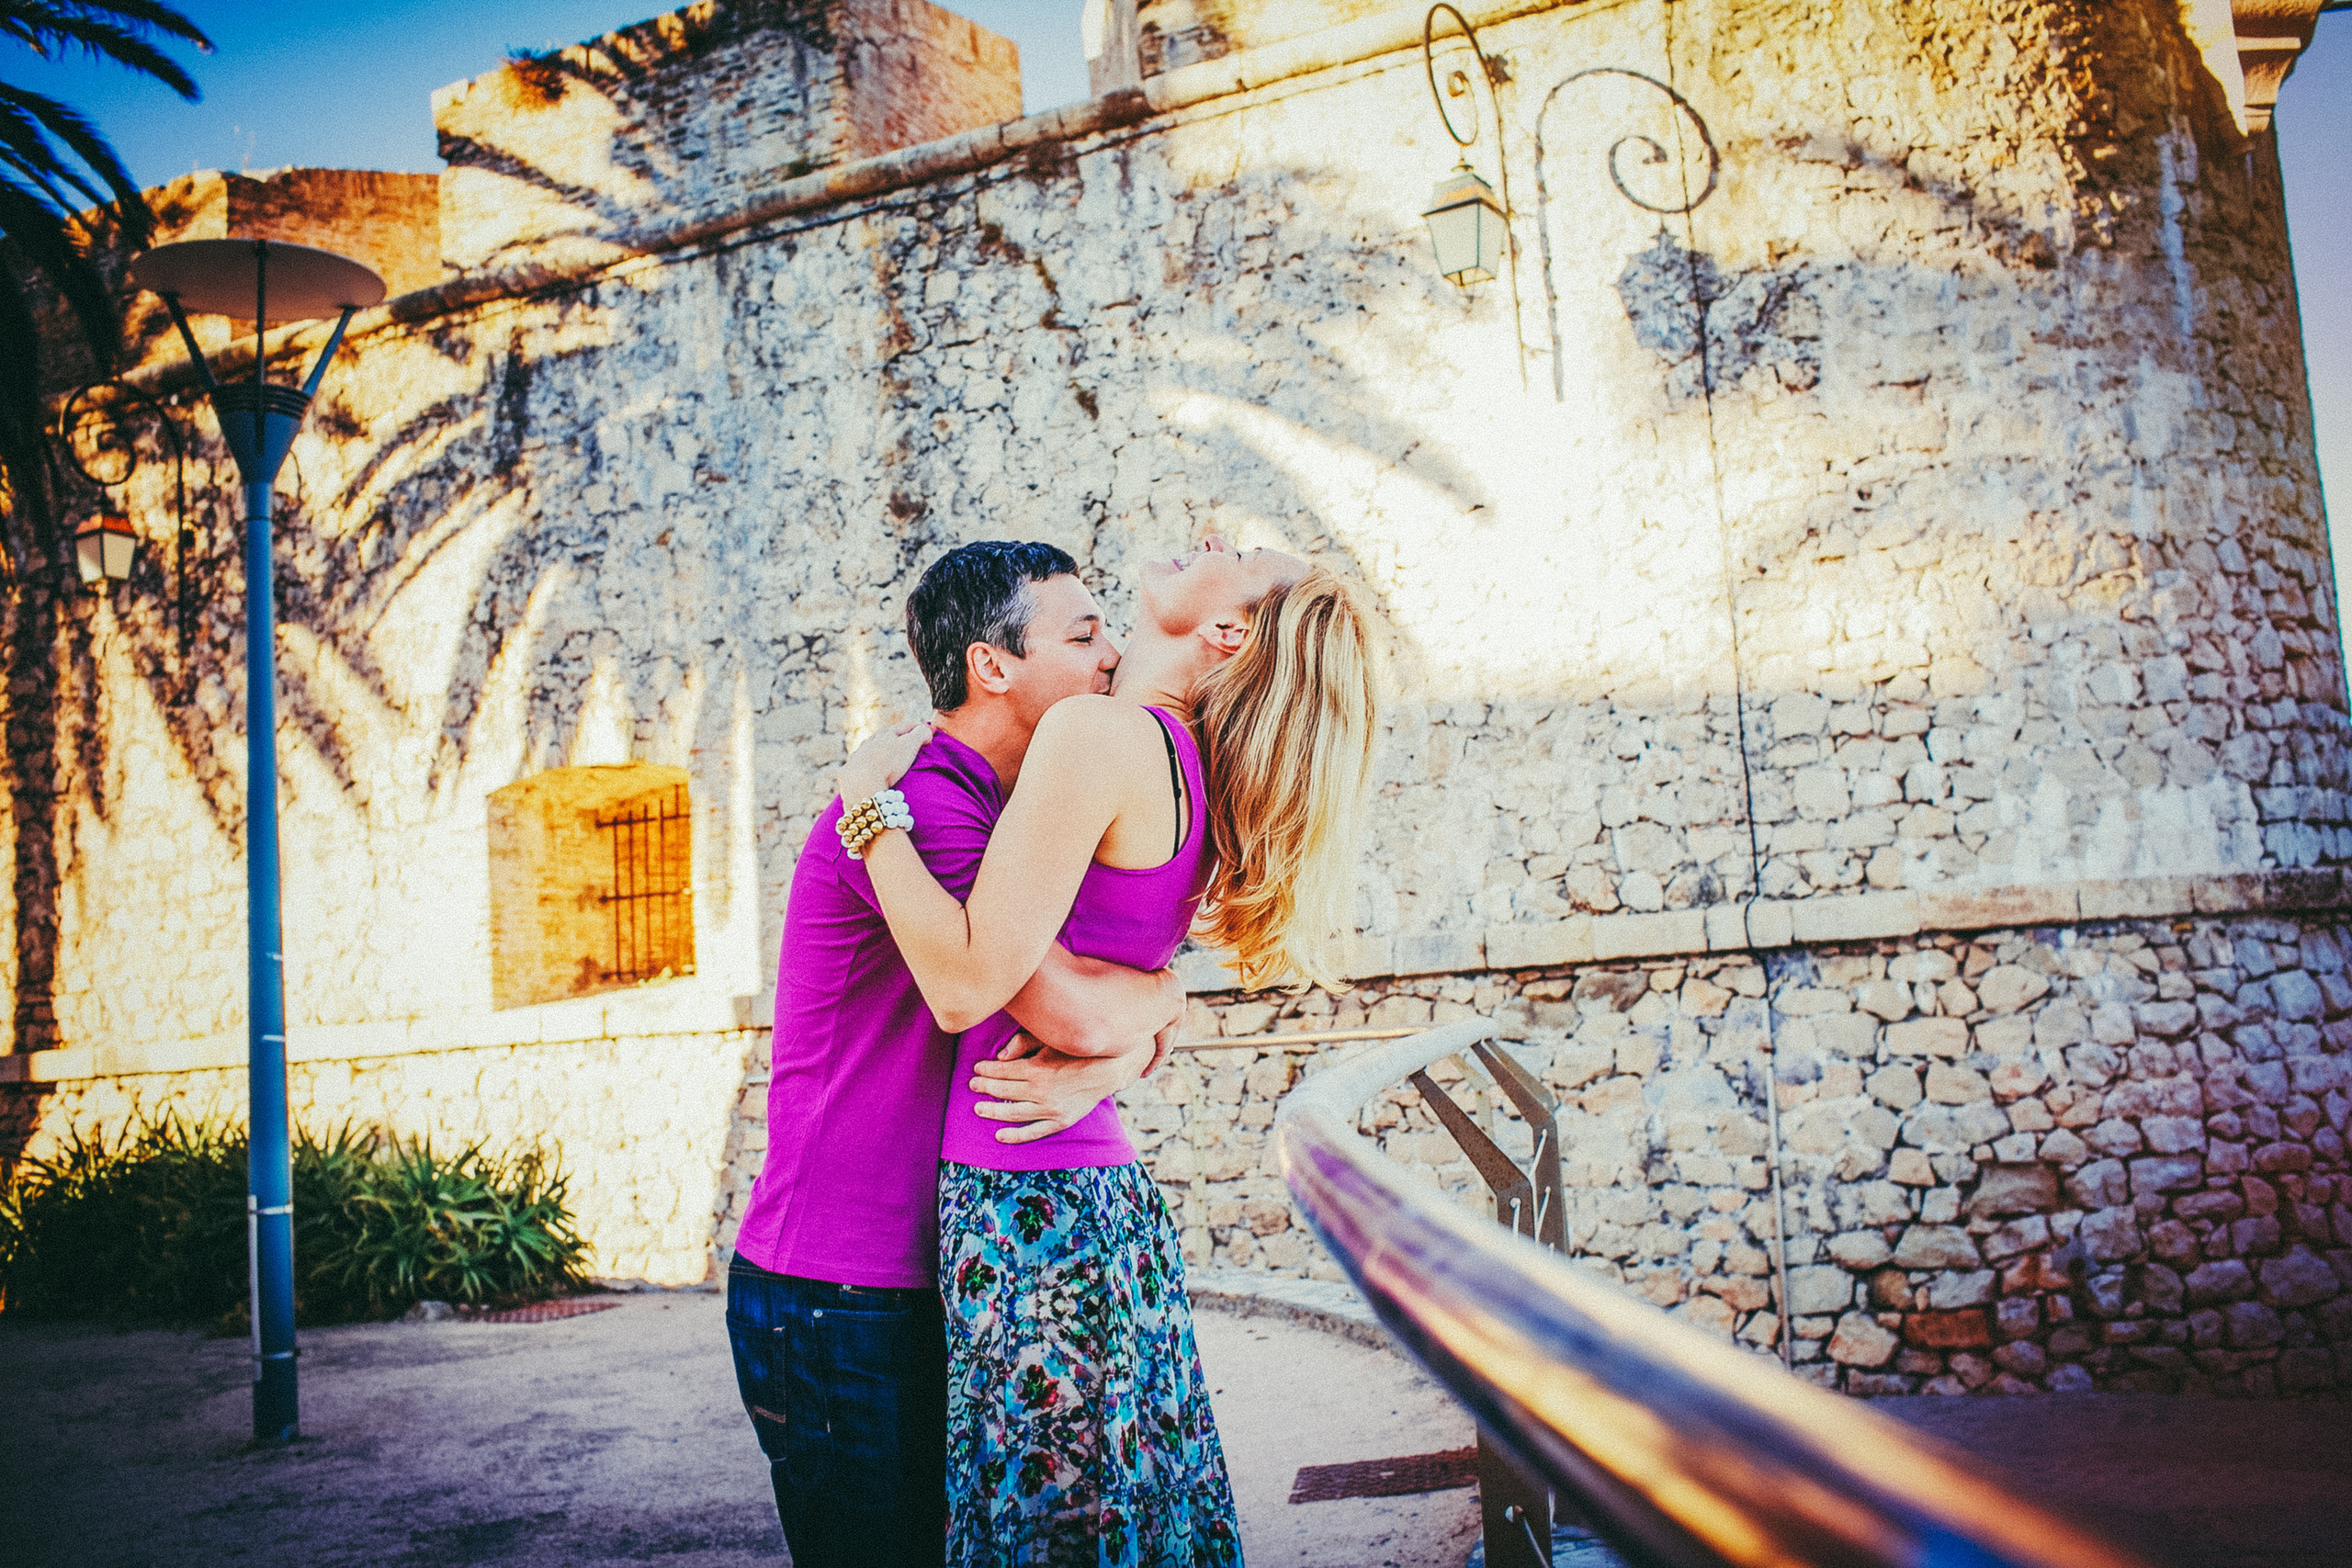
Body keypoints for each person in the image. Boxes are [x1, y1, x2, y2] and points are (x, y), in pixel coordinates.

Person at [836, 535, 1381, 1566]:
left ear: (1226, 631)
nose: (1212, 536)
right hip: (1087, 1194)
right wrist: (1144, 1029)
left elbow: (962, 984)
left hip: (1023, 1201)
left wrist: (867, 808)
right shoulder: (1187, 763)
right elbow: (1111, 973)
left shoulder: (1098, 734)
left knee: (1051, 1536)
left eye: (1242, 554)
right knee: (1119, 1516)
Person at [728, 540, 1191, 1568]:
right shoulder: (924, 799)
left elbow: (1103, 990)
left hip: (918, 1279)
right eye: (1082, 634)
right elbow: (1028, 997)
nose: (1113, 655)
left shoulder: (1016, 816)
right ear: (993, 665)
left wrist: (1147, 1023)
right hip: (842, 1297)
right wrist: (1147, 1012)